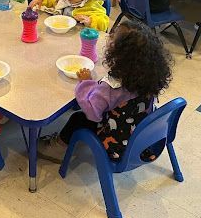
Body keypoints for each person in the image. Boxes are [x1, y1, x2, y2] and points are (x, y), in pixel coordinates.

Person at [38, 20, 173, 162]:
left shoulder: (112, 86)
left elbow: (92, 113)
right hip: (142, 135)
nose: (109, 36)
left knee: (77, 118)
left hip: (117, 146)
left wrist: (85, 82)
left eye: (113, 37)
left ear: (119, 52)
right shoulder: (149, 76)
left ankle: (56, 149)